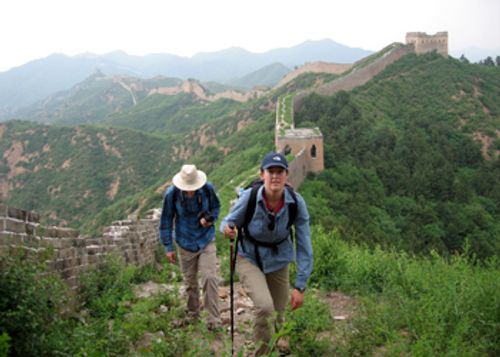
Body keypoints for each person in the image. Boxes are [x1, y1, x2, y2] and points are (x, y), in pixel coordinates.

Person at [220, 152, 313, 356]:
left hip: (278, 259)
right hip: (249, 257)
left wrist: (301, 285)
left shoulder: (296, 203)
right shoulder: (250, 197)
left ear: (287, 175)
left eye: (280, 172)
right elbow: (227, 222)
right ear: (262, 175)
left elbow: (305, 244)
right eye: (271, 171)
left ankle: (277, 346)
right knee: (264, 307)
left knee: (279, 314)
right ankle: (262, 353)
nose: (275, 176)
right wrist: (228, 228)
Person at [159, 164, 221, 330]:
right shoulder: (171, 195)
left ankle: (213, 320)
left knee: (209, 277)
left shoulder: (207, 189)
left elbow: (216, 207)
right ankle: (193, 314)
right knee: (190, 282)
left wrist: (209, 218)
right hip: (184, 242)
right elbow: (166, 220)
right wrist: (168, 246)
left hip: (206, 239)